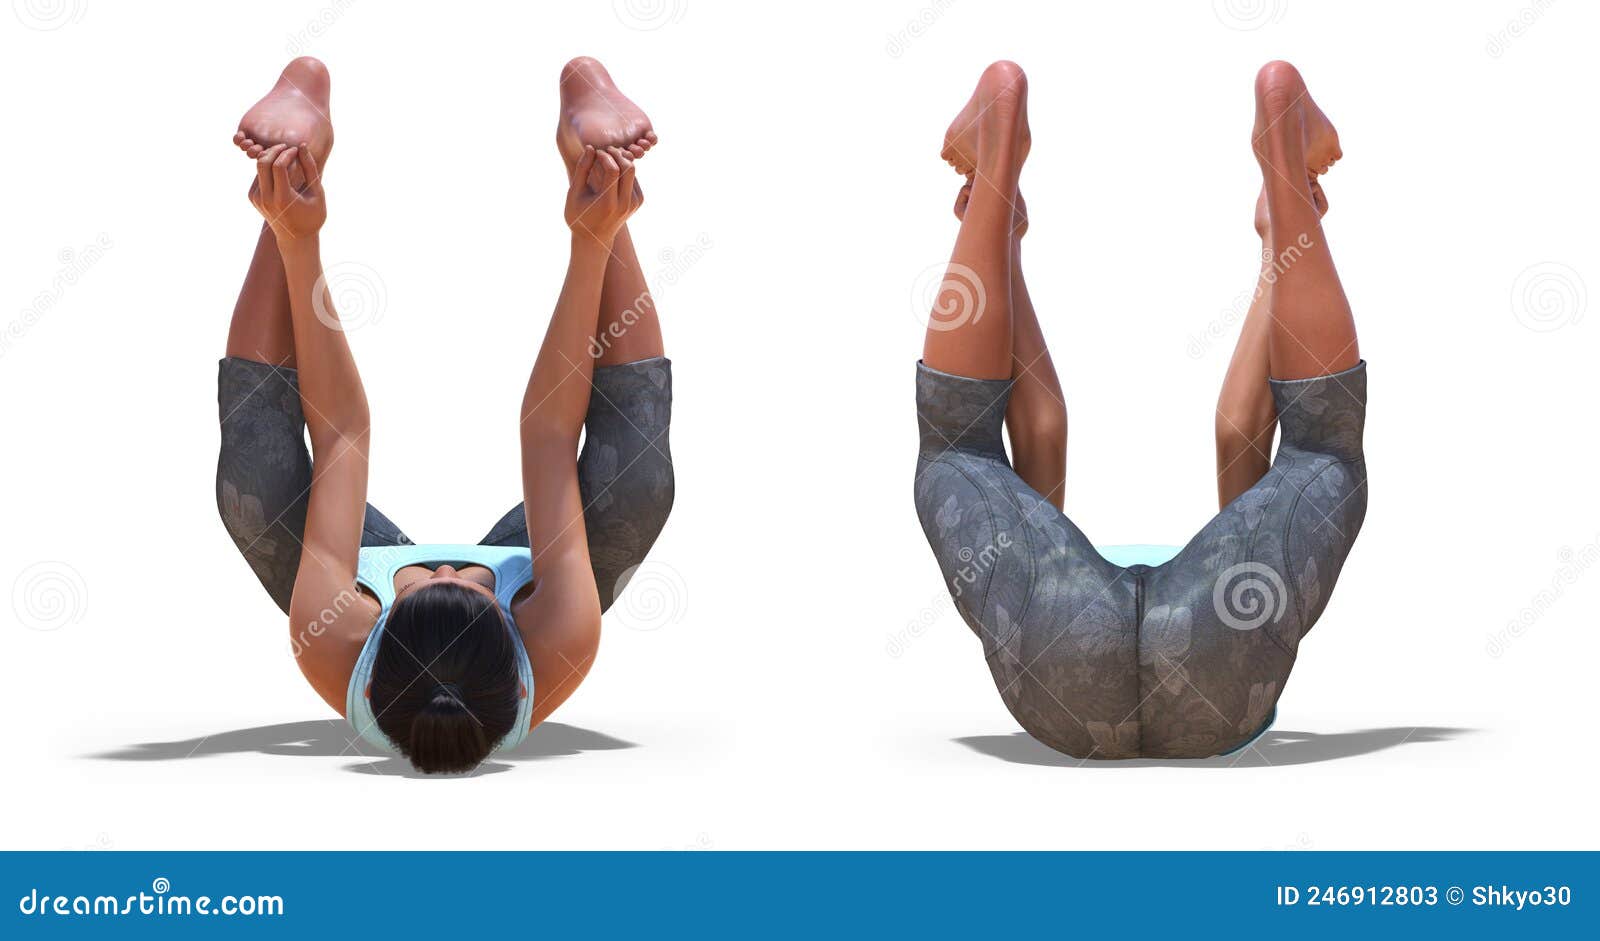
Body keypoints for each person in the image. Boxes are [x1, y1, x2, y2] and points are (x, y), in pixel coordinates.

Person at [216, 57, 673, 773]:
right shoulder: (561, 644)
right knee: (641, 484)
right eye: (471, 588)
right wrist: (593, 238)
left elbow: (340, 435)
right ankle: (596, 167)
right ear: (522, 669)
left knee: (250, 483)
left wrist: (296, 235)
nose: (451, 566)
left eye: (428, 583)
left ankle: (299, 160)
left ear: (371, 653)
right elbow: (551, 435)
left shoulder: (332, 640)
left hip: (356, 596)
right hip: (534, 593)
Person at [913, 60, 1366, 759]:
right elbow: (1240, 427)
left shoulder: (1055, 557)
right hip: (1205, 653)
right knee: (1320, 451)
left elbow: (1040, 425)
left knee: (960, 451)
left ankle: (1001, 147)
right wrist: (1283, 241)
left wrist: (997, 235)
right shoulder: (1227, 573)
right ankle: (1280, 156)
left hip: (1067, 657)